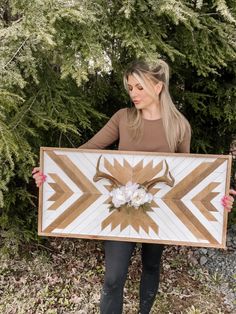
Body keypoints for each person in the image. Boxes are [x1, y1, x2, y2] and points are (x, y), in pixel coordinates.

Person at [32, 59, 235, 314]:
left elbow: (190, 177)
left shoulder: (180, 126)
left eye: (140, 87)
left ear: (158, 87)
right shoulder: (123, 118)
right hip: (119, 212)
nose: (133, 94)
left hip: (159, 213)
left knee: (151, 266)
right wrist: (52, 171)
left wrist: (219, 193)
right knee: (113, 277)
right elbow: (85, 153)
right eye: (130, 88)